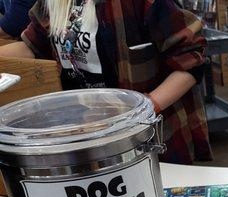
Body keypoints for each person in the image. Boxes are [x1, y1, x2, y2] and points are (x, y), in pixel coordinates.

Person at [0, 0, 212, 164]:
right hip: (87, 139)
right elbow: (31, 46)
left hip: (149, 139)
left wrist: (144, 108)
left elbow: (192, 57)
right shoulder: (53, 3)